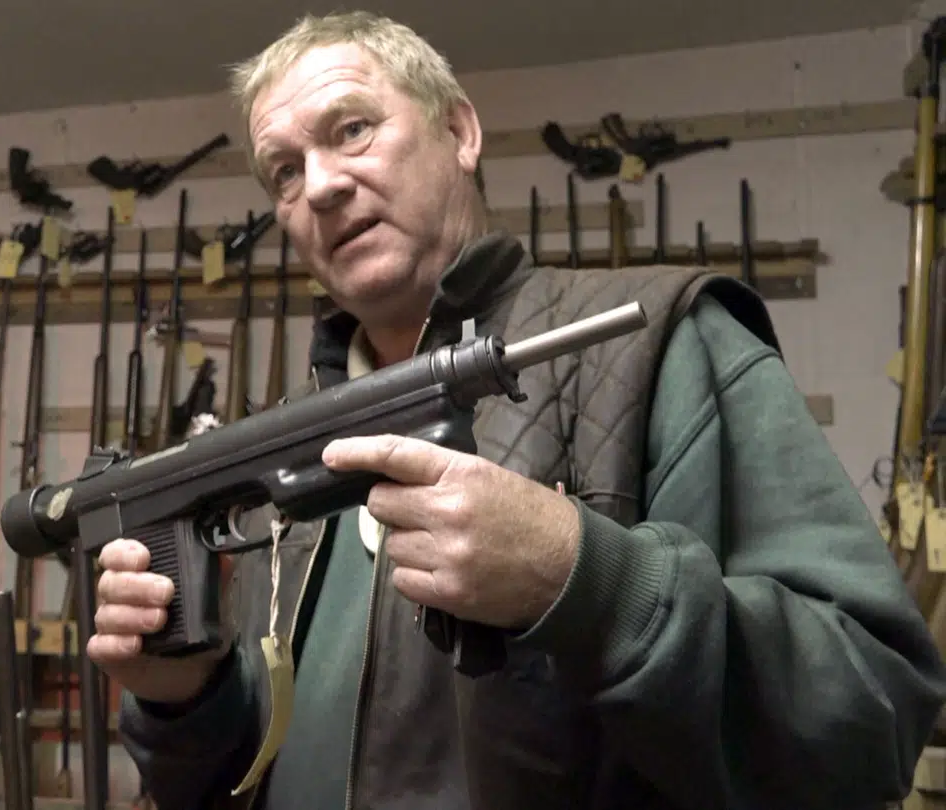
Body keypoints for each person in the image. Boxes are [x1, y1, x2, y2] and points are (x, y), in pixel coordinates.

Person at [87, 11, 946, 809]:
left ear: (460, 132)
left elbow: (871, 716)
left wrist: (585, 579)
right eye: (283, 170)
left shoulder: (662, 344)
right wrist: (185, 698)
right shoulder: (280, 447)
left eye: (351, 130)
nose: (319, 185)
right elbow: (233, 778)